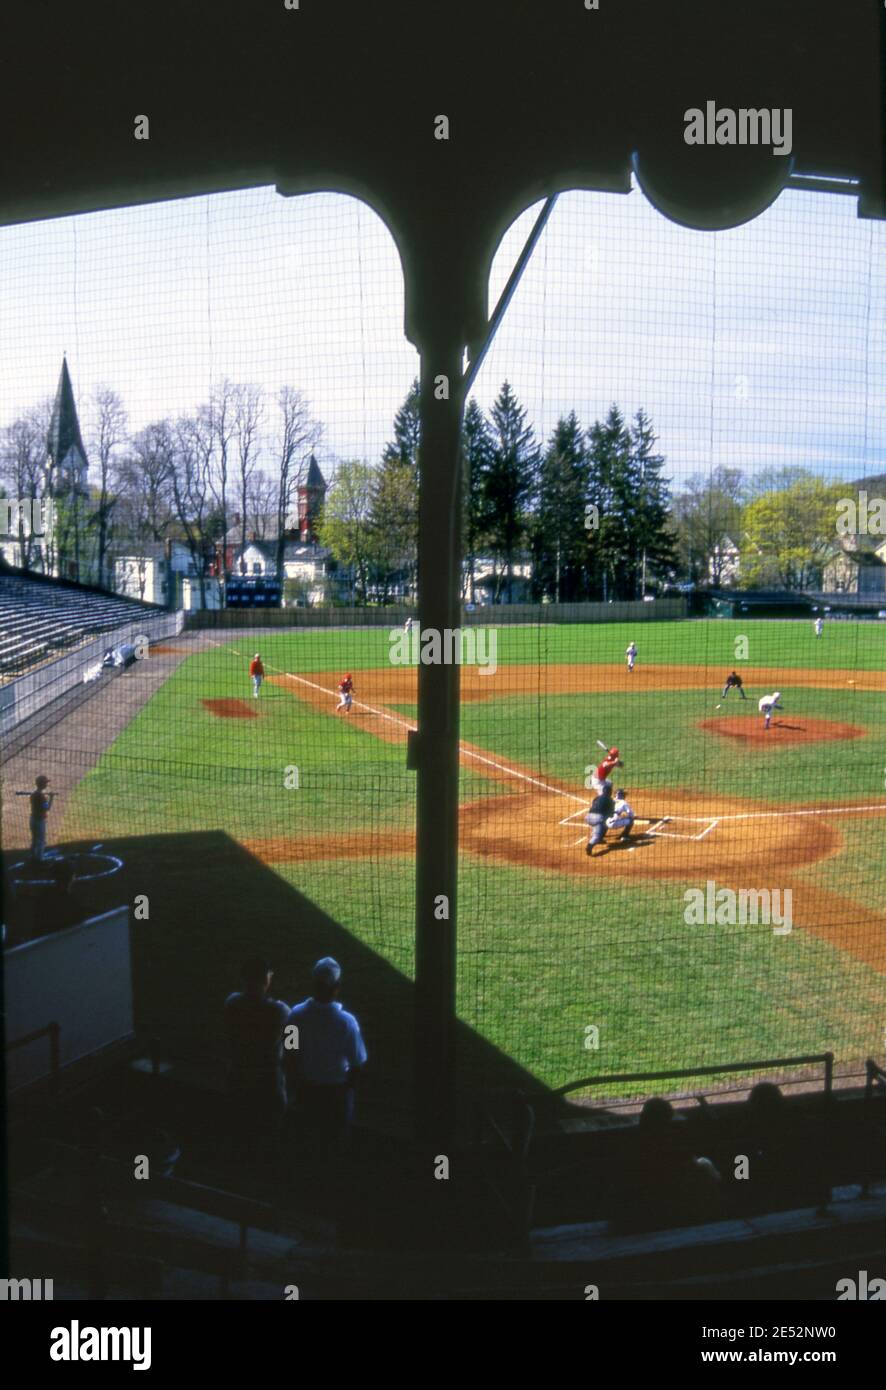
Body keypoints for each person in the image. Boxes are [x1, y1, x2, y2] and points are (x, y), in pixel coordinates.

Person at [287, 957, 367, 1153]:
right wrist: (345, 1092)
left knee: (306, 1146)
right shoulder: (347, 1022)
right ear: (337, 987)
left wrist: (296, 1087)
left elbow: (290, 1055)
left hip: (307, 1091)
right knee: (334, 1147)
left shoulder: (295, 1015)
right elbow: (357, 1063)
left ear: (313, 984)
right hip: (336, 1094)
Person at [223, 956, 291, 1142]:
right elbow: (293, 1046)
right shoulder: (281, 1011)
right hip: (268, 1084)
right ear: (266, 979)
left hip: (239, 1077)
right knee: (268, 1134)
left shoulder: (232, 1003)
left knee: (241, 1132)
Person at [586, 781, 616, 856]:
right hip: (597, 819)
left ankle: (597, 833)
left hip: (588, 817)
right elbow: (611, 815)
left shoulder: (597, 798)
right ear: (610, 792)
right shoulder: (610, 800)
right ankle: (589, 846)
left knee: (600, 821)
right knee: (598, 835)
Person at [29, 774, 54, 862]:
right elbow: (47, 808)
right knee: (41, 841)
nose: (47, 784)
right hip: (39, 821)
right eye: (46, 783)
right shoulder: (42, 797)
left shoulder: (33, 795)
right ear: (42, 784)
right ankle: (40, 859)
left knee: (34, 839)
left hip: (32, 819)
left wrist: (44, 797)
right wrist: (51, 798)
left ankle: (33, 856)